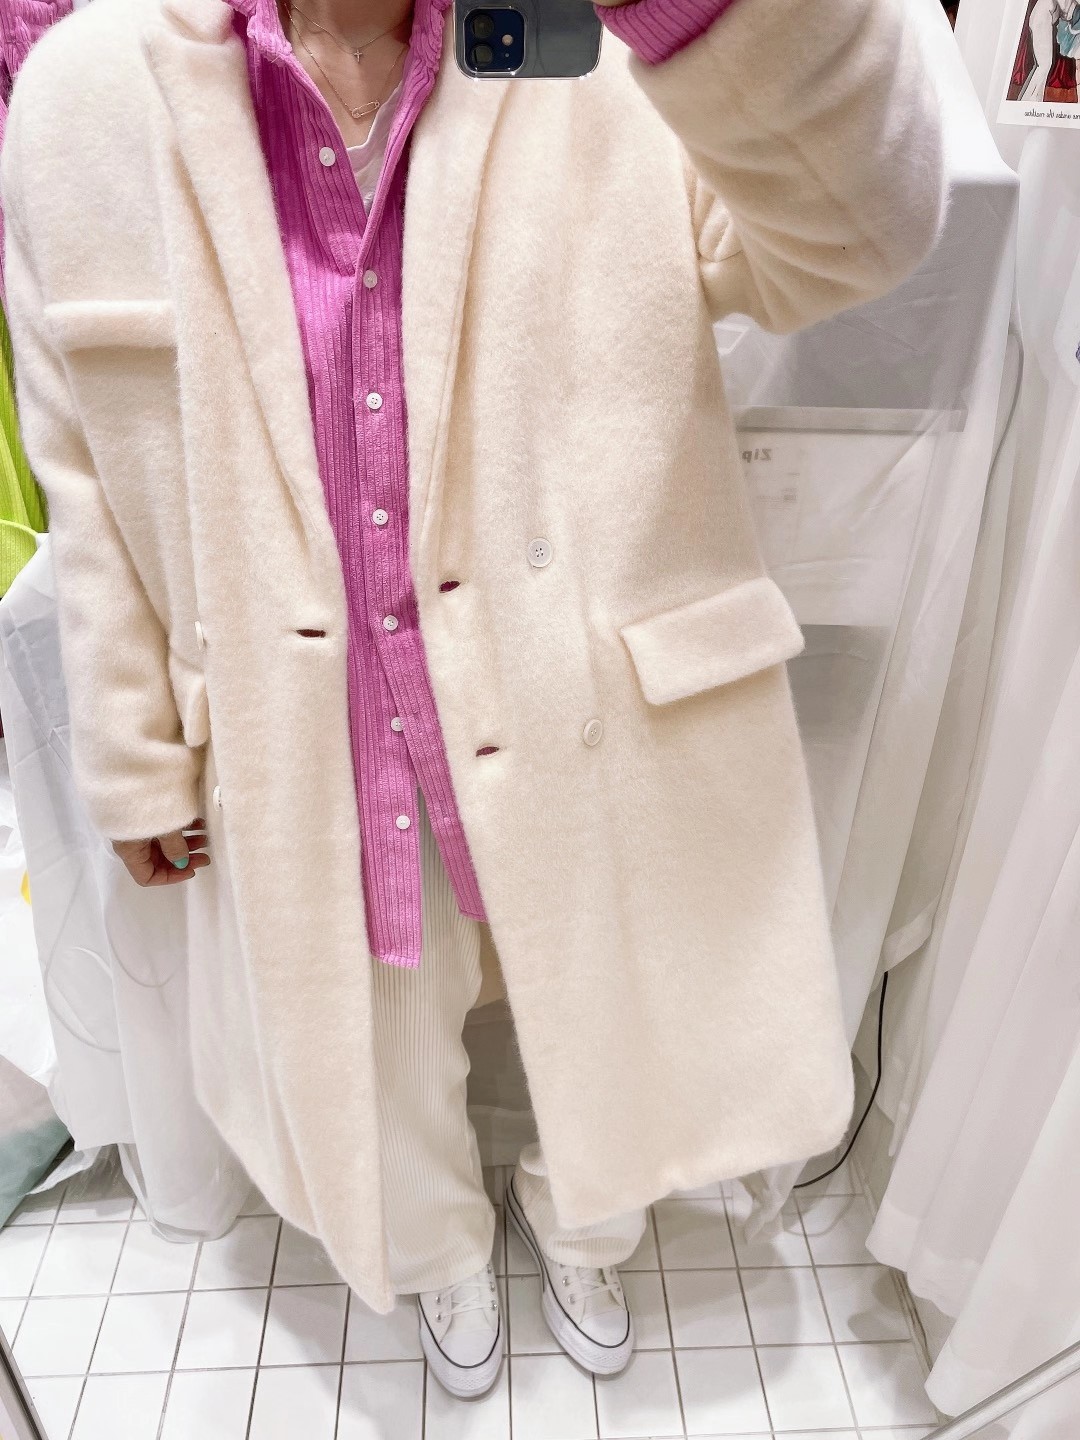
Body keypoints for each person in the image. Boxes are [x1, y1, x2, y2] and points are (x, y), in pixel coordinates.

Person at [0, 0, 945, 1400]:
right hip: (315, 726)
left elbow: (854, 238)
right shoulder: (87, 95)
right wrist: (134, 752)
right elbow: (82, 469)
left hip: (588, 689)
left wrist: (711, 20)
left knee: (617, 1010)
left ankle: (587, 1224)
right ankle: (438, 1251)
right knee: (375, 1046)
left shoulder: (603, 51)